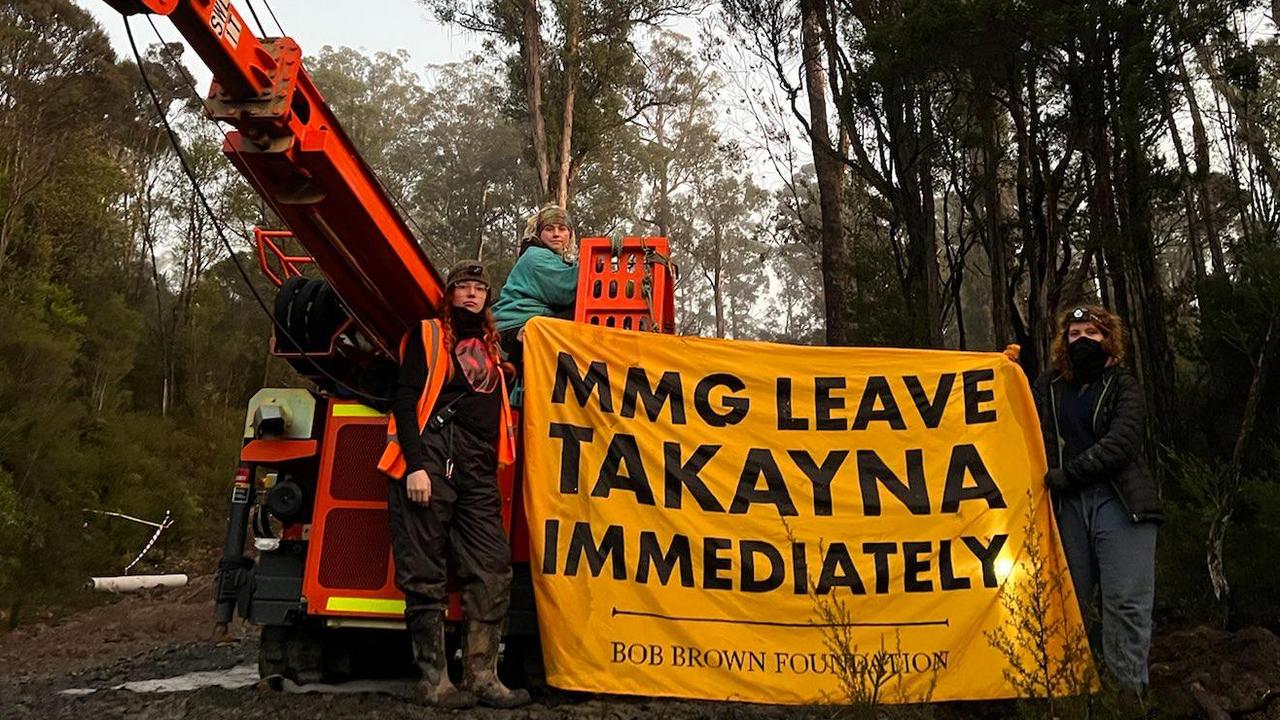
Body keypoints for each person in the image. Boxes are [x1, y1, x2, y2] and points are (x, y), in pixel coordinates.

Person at [376, 260, 528, 709]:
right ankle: (434, 681)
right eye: (463, 287)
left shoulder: (494, 349)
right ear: (450, 294)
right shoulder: (427, 335)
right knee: (424, 572)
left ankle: (482, 677)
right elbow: (404, 402)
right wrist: (416, 466)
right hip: (432, 458)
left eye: (479, 289)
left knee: (493, 565)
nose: (471, 295)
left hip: (477, 468)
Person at [1031, 305, 1162, 697]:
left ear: (1108, 339)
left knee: (1125, 603)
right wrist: (1001, 372)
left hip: (1122, 502)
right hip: (1068, 506)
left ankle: (1126, 699)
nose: (1083, 340)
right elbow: (1017, 414)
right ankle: (1079, 698)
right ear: (1063, 342)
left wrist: (1069, 473)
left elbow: (1122, 442)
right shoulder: (1049, 387)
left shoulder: (1123, 384)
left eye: (1092, 332)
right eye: (1074, 334)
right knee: (1072, 607)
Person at [492, 204, 580, 370]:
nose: (556, 234)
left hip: (533, 321)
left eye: (562, 229)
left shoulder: (556, 260)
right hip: (515, 326)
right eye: (549, 229)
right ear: (539, 232)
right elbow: (567, 290)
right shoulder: (535, 256)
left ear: (569, 234)